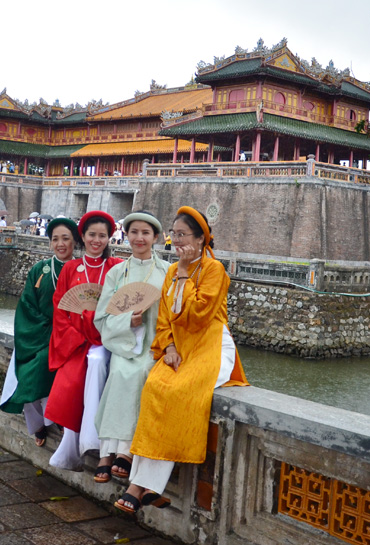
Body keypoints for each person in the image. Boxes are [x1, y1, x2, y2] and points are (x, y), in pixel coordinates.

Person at [115, 206, 248, 514]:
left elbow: (199, 315)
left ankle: (140, 486)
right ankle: (144, 486)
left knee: (178, 394)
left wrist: (187, 273)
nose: (177, 241)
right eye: (174, 235)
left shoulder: (213, 270)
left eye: (183, 235)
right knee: (155, 388)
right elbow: (166, 318)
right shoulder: (173, 272)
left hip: (211, 346)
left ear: (201, 239)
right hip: (181, 348)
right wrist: (169, 346)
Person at [92, 211, 168, 483]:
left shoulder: (167, 273)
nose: (139, 238)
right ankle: (112, 451)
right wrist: (128, 320)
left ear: (156, 238)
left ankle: (118, 452)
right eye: (133, 232)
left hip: (153, 344)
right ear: (126, 235)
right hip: (124, 342)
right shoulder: (116, 272)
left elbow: (174, 315)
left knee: (141, 373)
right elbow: (102, 317)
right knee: (121, 372)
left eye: (145, 233)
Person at [45, 210, 122, 470]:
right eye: (92, 235)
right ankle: (71, 441)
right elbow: (61, 308)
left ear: (109, 238)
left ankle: (89, 439)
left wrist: (99, 331)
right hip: (76, 340)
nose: (96, 240)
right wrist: (78, 336)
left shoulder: (117, 268)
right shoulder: (70, 268)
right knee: (73, 375)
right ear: (83, 236)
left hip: (105, 338)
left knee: (97, 361)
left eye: (102, 236)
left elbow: (121, 307)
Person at [0, 217, 79, 447]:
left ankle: (61, 418)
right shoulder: (40, 269)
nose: (61, 244)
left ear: (75, 240)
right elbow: (27, 306)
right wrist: (47, 330)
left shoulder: (81, 269)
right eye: (55, 239)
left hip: (71, 337)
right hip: (40, 335)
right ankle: (38, 425)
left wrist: (67, 332)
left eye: (66, 238)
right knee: (32, 371)